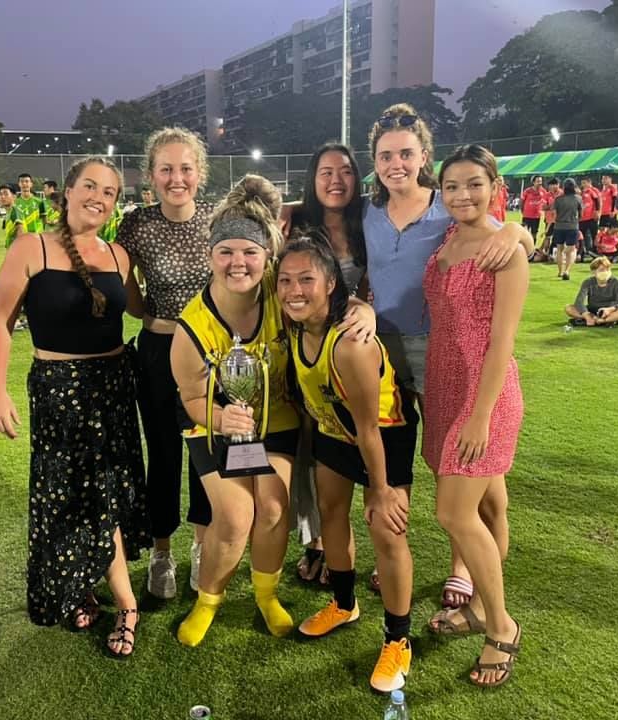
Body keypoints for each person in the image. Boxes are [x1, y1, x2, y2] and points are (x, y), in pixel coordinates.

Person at [363, 103, 531, 610]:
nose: (396, 163)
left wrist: (514, 230)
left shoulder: (446, 205)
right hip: (384, 349)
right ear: (374, 160)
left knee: (461, 470)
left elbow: (500, 233)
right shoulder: (367, 210)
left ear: (423, 157)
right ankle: (394, 550)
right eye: (386, 154)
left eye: (406, 153)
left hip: (442, 349)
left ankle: (464, 571)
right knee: (404, 450)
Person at [0, 157, 150, 656]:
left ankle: (124, 603)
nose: (99, 198)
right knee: (68, 493)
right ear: (69, 192)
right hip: (59, 389)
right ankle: (92, 589)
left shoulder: (120, 256)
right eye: (90, 186)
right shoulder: (30, 247)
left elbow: (147, 307)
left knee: (104, 490)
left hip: (115, 385)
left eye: (111, 192)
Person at [278, 238, 418, 692]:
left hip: (382, 436)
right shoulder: (299, 325)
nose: (294, 290)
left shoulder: (349, 344)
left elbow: (370, 428)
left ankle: (398, 641)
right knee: (331, 513)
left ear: (331, 283)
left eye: (306, 279)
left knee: (386, 531)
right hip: (332, 432)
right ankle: (343, 604)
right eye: (285, 280)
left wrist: (380, 488)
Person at [170, 176, 302, 647]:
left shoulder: (282, 292)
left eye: (249, 251)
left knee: (271, 506)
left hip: (276, 418)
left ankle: (267, 596)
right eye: (225, 251)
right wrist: (221, 418)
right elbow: (189, 396)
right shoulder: (192, 325)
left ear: (267, 254)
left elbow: (326, 296)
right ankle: (209, 600)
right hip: (213, 421)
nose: (237, 262)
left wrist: (360, 313)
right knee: (233, 515)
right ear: (210, 256)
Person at [423, 144, 528, 689]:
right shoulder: (447, 238)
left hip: (483, 393)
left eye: (473, 185)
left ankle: (501, 627)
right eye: (453, 187)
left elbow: (501, 341)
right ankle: (485, 609)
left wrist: (480, 415)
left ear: (494, 186)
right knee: (489, 505)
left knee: (454, 513)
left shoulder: (504, 248)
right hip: (442, 385)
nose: (463, 195)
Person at [115, 127, 214, 598]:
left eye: (186, 168)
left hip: (209, 354)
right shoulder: (135, 224)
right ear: (151, 176)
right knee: (163, 454)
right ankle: (161, 553)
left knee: (203, 452)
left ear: (200, 173)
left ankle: (200, 547)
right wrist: (149, 314)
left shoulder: (219, 219)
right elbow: (127, 291)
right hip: (157, 351)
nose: (177, 178)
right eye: (167, 169)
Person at [283, 142, 368, 587]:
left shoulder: (371, 222)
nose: (336, 180)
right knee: (310, 450)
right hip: (305, 354)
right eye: (325, 172)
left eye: (346, 171)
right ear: (312, 181)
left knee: (372, 444)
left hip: (359, 350)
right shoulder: (296, 222)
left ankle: (386, 544)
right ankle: (315, 540)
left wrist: (516, 233)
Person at [565, 257, 618, 327]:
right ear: (594, 272)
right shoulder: (588, 282)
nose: (605, 272)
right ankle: (594, 319)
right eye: (602, 270)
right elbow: (579, 302)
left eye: (607, 269)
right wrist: (586, 315)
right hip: (591, 310)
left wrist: (610, 309)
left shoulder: (617, 283)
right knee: (569, 308)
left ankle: (602, 321)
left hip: (610, 311)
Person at [553, 179, 583, 280]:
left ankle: (560, 271)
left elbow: (554, 214)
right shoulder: (578, 198)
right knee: (571, 250)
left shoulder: (558, 199)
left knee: (559, 249)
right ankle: (567, 270)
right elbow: (581, 214)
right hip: (572, 226)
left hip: (559, 226)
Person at [520, 175, 548, 245]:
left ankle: (532, 247)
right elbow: (522, 201)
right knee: (524, 232)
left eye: (541, 181)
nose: (540, 183)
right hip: (527, 215)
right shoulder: (527, 191)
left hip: (536, 216)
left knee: (534, 233)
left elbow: (546, 202)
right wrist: (522, 211)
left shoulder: (543, 191)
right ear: (533, 182)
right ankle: (524, 246)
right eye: (538, 181)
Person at [539, 177, 561, 261]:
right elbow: (543, 207)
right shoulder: (547, 195)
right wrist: (553, 206)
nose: (551, 187)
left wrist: (552, 206)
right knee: (548, 236)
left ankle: (553, 253)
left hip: (560, 220)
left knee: (557, 237)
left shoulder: (562, 194)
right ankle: (545, 252)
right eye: (550, 186)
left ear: (558, 185)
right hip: (549, 220)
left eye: (553, 185)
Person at [578, 177, 601, 260]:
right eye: (582, 183)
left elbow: (597, 201)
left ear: (589, 182)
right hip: (582, 218)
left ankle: (595, 251)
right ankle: (583, 252)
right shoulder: (580, 192)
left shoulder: (592, 191)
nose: (583, 185)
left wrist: (597, 211)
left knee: (594, 235)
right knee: (581, 236)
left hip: (591, 218)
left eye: (584, 183)